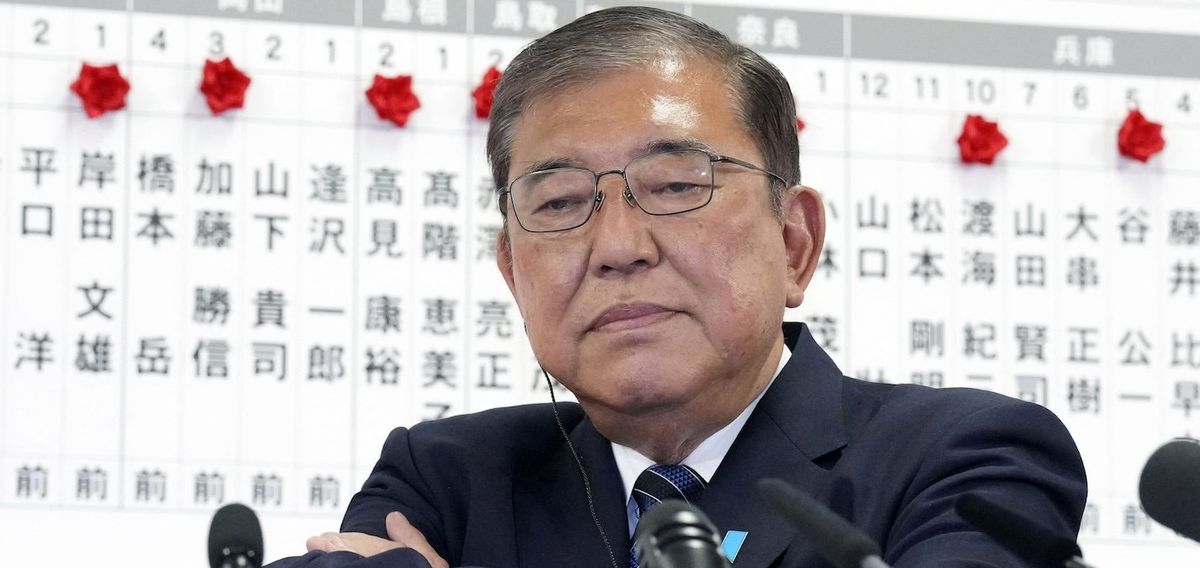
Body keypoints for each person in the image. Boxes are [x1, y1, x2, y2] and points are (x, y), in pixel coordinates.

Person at [269, 7, 1086, 568]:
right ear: (514, 274)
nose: (617, 246)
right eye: (558, 203)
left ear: (795, 242)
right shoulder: (448, 477)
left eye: (675, 185)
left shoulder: (968, 461)